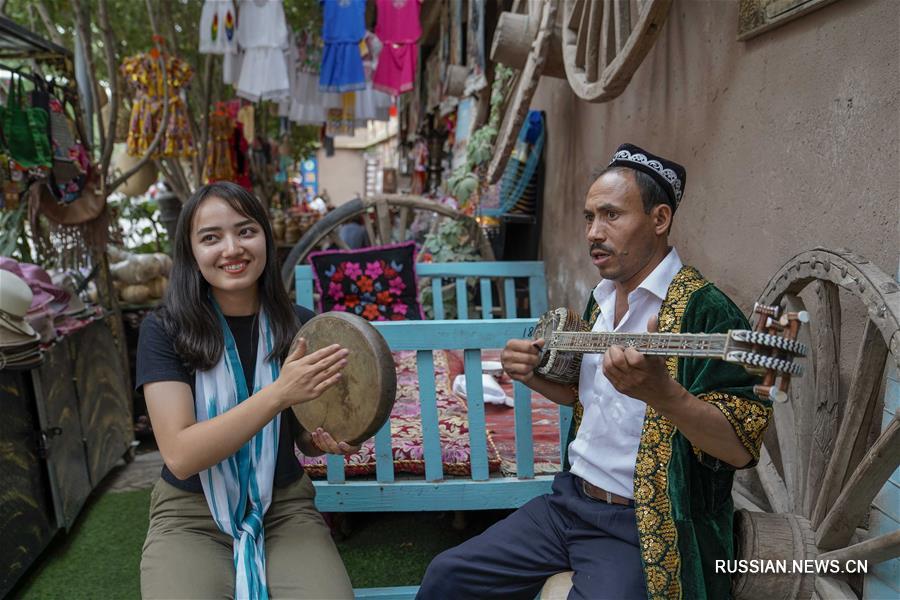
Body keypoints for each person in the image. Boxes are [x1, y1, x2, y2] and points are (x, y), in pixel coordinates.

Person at [417, 144, 772, 599]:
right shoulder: (601, 299)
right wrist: (533, 377)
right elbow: (589, 402)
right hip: (569, 503)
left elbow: (740, 448)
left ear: (660, 220)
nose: (593, 233)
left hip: (642, 523)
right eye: (589, 218)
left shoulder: (709, 314)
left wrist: (664, 394)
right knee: (448, 576)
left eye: (611, 216)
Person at [137, 181, 355, 599]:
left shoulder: (301, 324)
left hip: (282, 507)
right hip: (190, 514)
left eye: (246, 231)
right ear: (191, 253)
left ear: (266, 241)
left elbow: (300, 436)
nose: (232, 248)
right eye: (211, 238)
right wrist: (279, 392)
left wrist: (320, 439)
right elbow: (181, 456)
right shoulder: (165, 329)